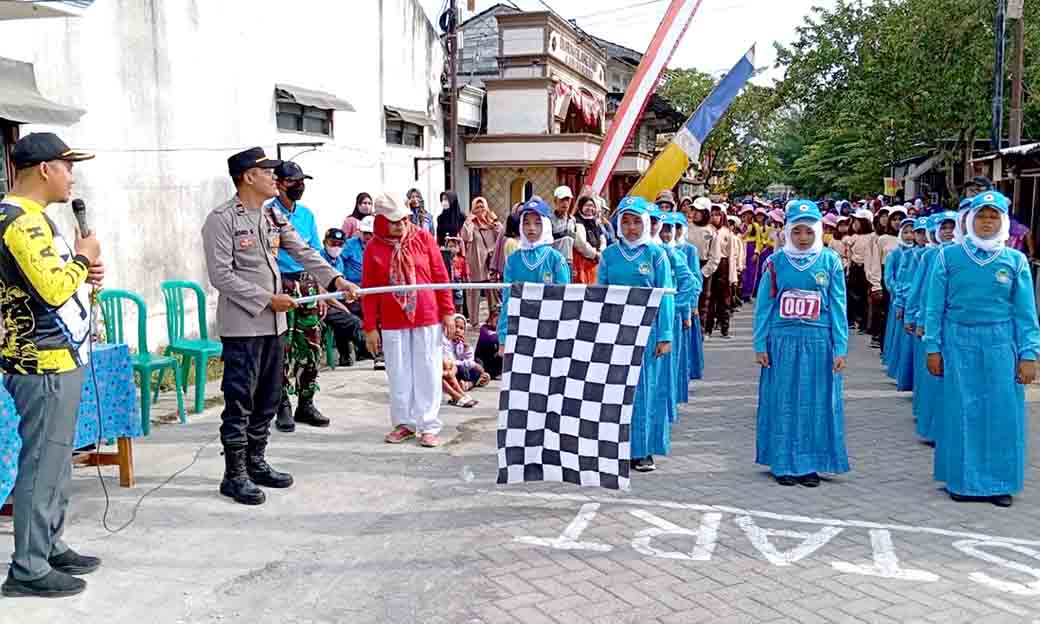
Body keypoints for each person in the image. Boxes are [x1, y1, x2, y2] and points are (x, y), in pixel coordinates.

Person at [202, 147, 357, 506]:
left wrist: (336, 282)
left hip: (275, 325)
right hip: (244, 325)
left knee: (270, 396)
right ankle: (234, 474)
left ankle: (256, 461)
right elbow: (221, 276)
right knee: (240, 399)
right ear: (247, 177)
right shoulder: (221, 219)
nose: (275, 177)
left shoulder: (271, 216)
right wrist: (266, 299)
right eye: (267, 171)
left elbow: (304, 252)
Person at [0, 133, 103, 598]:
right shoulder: (21, 223)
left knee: (56, 461)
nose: (71, 176)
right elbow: (52, 289)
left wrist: (85, 271)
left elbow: (57, 283)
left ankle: (48, 543)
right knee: (43, 464)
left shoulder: (32, 219)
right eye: (67, 166)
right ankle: (28, 567)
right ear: (44, 169)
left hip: (55, 353)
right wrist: (84, 258)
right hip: (44, 361)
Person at [925, 191, 1040, 507]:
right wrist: (932, 347)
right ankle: (963, 481)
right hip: (957, 340)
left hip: (1002, 342)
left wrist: (1029, 354)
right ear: (969, 220)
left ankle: (999, 483)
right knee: (962, 409)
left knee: (1001, 411)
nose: (987, 222)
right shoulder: (948, 257)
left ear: (1003, 221)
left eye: (993, 216)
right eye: (981, 216)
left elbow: (1025, 312)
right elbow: (934, 307)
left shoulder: (1014, 261)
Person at [753, 199, 849, 487]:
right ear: (788, 232)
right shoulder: (775, 262)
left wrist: (840, 346)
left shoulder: (830, 261)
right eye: (797, 232)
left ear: (818, 231)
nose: (803, 238)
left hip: (819, 340)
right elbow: (764, 306)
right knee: (782, 400)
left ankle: (810, 464)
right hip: (782, 339)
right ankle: (783, 462)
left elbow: (838, 306)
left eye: (808, 231)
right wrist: (760, 344)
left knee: (815, 401)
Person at [363, 193, 455, 448]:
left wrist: (447, 311)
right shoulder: (374, 247)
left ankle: (428, 424)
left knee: (428, 370)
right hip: (393, 320)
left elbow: (440, 275)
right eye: (394, 221)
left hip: (426, 315)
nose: (401, 225)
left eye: (404, 219)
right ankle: (404, 423)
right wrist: (370, 327)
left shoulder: (423, 238)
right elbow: (368, 290)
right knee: (399, 372)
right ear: (380, 221)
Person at [598, 197, 675, 473]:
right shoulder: (609, 255)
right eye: (626, 221)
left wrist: (665, 334)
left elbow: (665, 296)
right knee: (617, 390)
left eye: (637, 222)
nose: (631, 228)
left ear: (646, 224)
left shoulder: (656, 255)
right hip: (617, 330)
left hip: (648, 331)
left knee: (644, 391)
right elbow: (600, 295)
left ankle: (642, 450)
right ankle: (616, 448)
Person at [270, 161, 329, 432]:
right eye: (294, 181)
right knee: (283, 347)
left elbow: (314, 253)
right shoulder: (267, 214)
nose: (300, 186)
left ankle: (306, 402)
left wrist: (321, 291)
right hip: (280, 285)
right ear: (279, 183)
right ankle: (282, 404)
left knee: (311, 345)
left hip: (307, 286)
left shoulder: (306, 214)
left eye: (302, 181)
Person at [904, 211, 957, 444]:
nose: (947, 231)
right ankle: (932, 427)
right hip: (933, 322)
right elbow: (920, 289)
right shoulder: (929, 255)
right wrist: (917, 318)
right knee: (933, 378)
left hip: (957, 327)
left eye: (951, 227)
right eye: (943, 227)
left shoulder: (960, 256)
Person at [496, 199, 571, 349]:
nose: (531, 228)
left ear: (546, 225)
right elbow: (507, 301)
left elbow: (565, 299)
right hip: (520, 330)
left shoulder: (556, 259)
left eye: (537, 223)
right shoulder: (512, 260)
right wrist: (503, 337)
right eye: (526, 223)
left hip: (549, 331)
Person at [659, 212, 696, 408]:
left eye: (669, 230)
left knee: (669, 364)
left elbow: (691, 282)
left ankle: (668, 405)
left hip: (669, 315)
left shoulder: (678, 253)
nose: (665, 234)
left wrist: (684, 309)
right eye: (661, 228)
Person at [321, 227, 368, 368]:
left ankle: (348, 355)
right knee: (351, 320)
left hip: (338, 300)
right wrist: (342, 306)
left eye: (340, 244)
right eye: (332, 243)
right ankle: (373, 351)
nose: (336, 247)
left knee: (361, 309)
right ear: (324, 242)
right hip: (324, 303)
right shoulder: (319, 258)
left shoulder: (339, 260)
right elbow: (321, 291)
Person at [460, 196, 503, 326]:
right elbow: (465, 236)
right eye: (477, 207)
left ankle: (494, 318)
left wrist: (495, 221)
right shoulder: (471, 223)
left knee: (492, 291)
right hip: (476, 261)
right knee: (474, 291)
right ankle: (473, 321)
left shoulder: (492, 222)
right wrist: (468, 221)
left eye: (482, 206)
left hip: (490, 261)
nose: (480, 209)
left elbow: (501, 235)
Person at [705, 204, 739, 338]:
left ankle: (725, 328)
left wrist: (732, 276)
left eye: (717, 215)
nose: (715, 217)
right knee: (709, 297)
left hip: (723, 266)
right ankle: (707, 328)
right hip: (710, 264)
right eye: (712, 214)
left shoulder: (727, 233)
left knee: (724, 299)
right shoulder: (707, 231)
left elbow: (731, 256)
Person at [445, 314, 489, 390]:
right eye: (456, 326)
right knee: (461, 369)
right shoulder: (446, 342)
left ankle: (467, 383)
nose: (458, 330)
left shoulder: (461, 343)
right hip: (452, 369)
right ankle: (472, 383)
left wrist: (467, 349)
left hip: (464, 369)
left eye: (461, 328)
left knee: (479, 361)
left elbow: (470, 360)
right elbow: (451, 362)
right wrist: (473, 365)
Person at [573, 195, 606, 284]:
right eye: (587, 205)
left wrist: (601, 252)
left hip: (595, 262)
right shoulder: (577, 221)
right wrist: (595, 254)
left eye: (592, 206)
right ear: (580, 207)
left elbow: (602, 239)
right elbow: (581, 243)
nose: (590, 208)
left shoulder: (595, 223)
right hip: (582, 264)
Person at [550, 186, 576, 269]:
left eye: (567, 199)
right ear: (555, 200)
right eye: (562, 200)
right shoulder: (549, 220)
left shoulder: (573, 220)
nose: (565, 203)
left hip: (569, 263)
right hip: (554, 262)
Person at [475, 306, 503, 380]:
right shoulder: (484, 328)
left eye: (501, 321)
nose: (499, 323)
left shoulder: (503, 332)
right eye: (497, 321)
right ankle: (482, 375)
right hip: (483, 361)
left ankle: (497, 372)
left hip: (495, 362)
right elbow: (491, 338)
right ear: (490, 319)